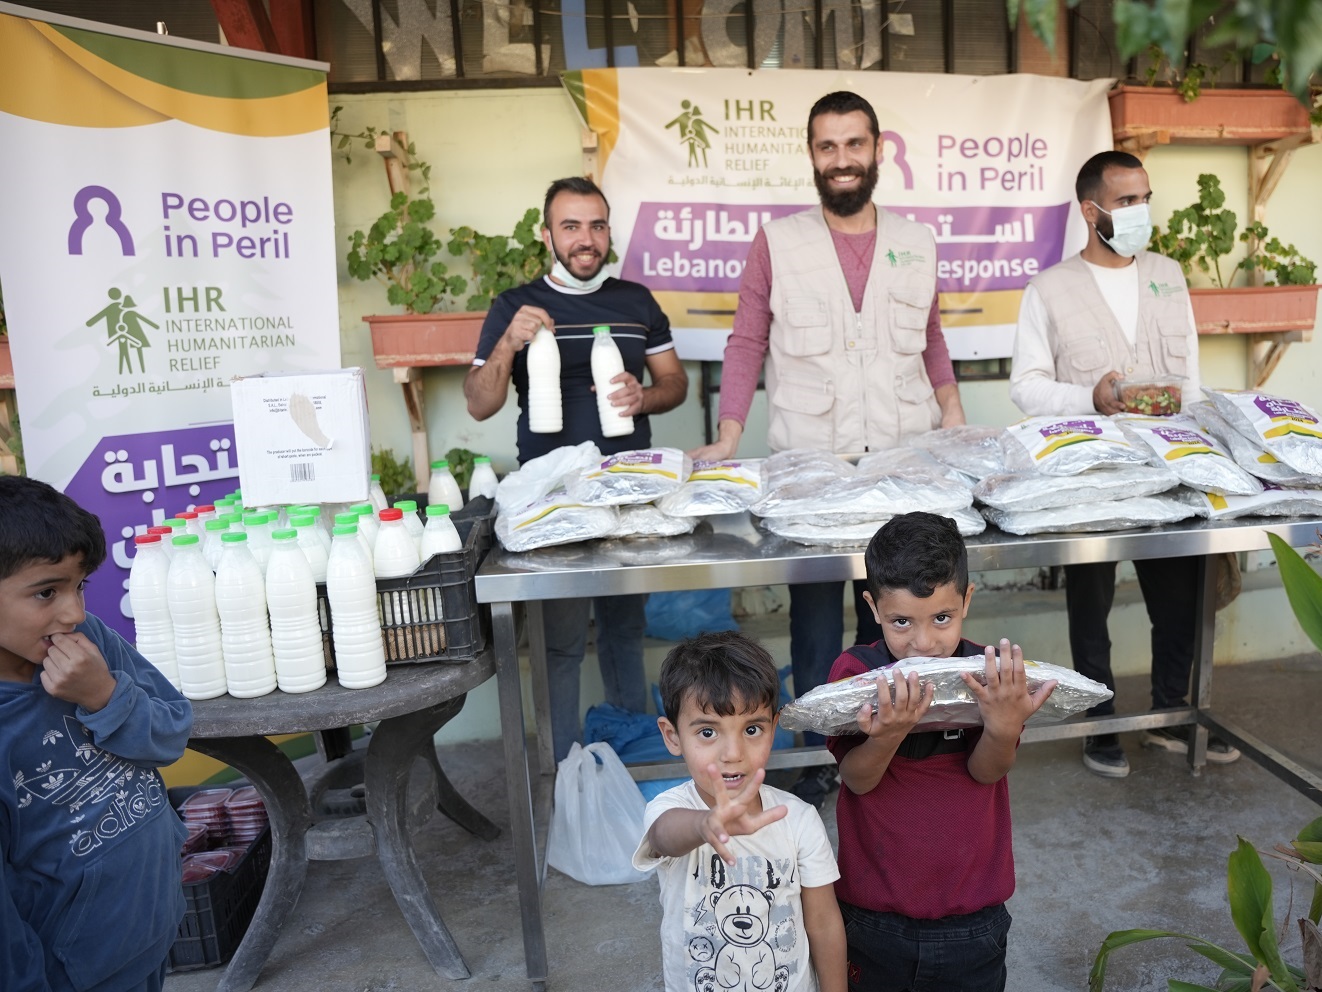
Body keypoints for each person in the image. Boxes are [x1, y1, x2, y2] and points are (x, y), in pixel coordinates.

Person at [689, 90, 967, 806]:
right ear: (812, 156)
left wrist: (954, 411)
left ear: (878, 149)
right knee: (814, 621)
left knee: (899, 612)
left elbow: (932, 338)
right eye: (827, 146)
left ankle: (905, 734)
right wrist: (727, 434)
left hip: (900, 461)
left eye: (854, 144)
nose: (841, 159)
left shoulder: (917, 240)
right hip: (811, 463)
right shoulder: (778, 242)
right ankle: (819, 755)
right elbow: (746, 340)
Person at [1008, 149, 1241, 779]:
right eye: (1128, 201)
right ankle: (1099, 725)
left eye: (1145, 198)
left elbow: (1188, 379)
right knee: (1093, 600)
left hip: (1169, 471)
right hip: (1095, 477)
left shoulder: (1167, 274)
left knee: (1181, 595)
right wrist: (1091, 397)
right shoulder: (1048, 289)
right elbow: (1026, 387)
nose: (1141, 212)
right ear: (1092, 211)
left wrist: (1213, 447)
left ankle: (1170, 714)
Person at [465, 176, 689, 762]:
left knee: (624, 630)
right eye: (570, 226)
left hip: (627, 494)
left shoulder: (635, 301)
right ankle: (565, 768)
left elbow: (675, 384)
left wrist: (645, 397)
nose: (585, 239)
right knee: (561, 639)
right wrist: (509, 345)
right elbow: (479, 402)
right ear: (547, 235)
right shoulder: (514, 306)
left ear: (608, 232)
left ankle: (636, 756)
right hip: (553, 503)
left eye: (596, 225)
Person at [827, 512, 1055, 992]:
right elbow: (858, 779)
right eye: (902, 621)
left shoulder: (987, 675)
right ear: (873, 607)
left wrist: (1003, 724)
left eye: (942, 618)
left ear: (967, 600)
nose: (924, 643)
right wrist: (888, 734)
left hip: (972, 921)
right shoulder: (854, 675)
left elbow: (987, 772)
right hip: (873, 919)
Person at [0, 475, 193, 992]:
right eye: (46, 592)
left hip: (151, 928)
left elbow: (172, 732)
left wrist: (105, 697)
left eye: (78, 585)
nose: (75, 612)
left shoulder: (90, 641)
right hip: (78, 973)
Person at [633, 630, 846, 992]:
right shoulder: (673, 810)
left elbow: (823, 922)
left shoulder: (797, 819)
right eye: (707, 732)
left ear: (774, 729)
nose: (733, 753)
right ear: (672, 737)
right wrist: (705, 824)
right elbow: (662, 836)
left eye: (751, 729)